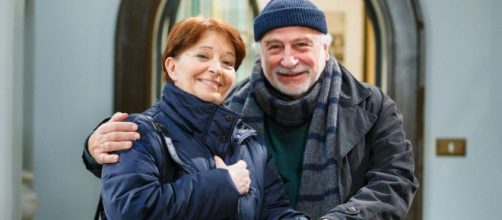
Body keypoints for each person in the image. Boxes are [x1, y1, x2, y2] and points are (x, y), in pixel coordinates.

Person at [83, 0, 419, 219]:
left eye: (302, 45)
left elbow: (396, 180)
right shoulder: (232, 113)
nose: (289, 59)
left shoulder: (372, 106)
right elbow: (140, 182)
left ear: (326, 49)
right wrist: (92, 149)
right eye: (275, 47)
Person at [93, 16, 308, 219]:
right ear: (172, 67)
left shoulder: (250, 144)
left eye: (227, 63)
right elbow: (130, 211)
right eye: (203, 56)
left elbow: (276, 212)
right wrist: (223, 185)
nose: (216, 69)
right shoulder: (135, 133)